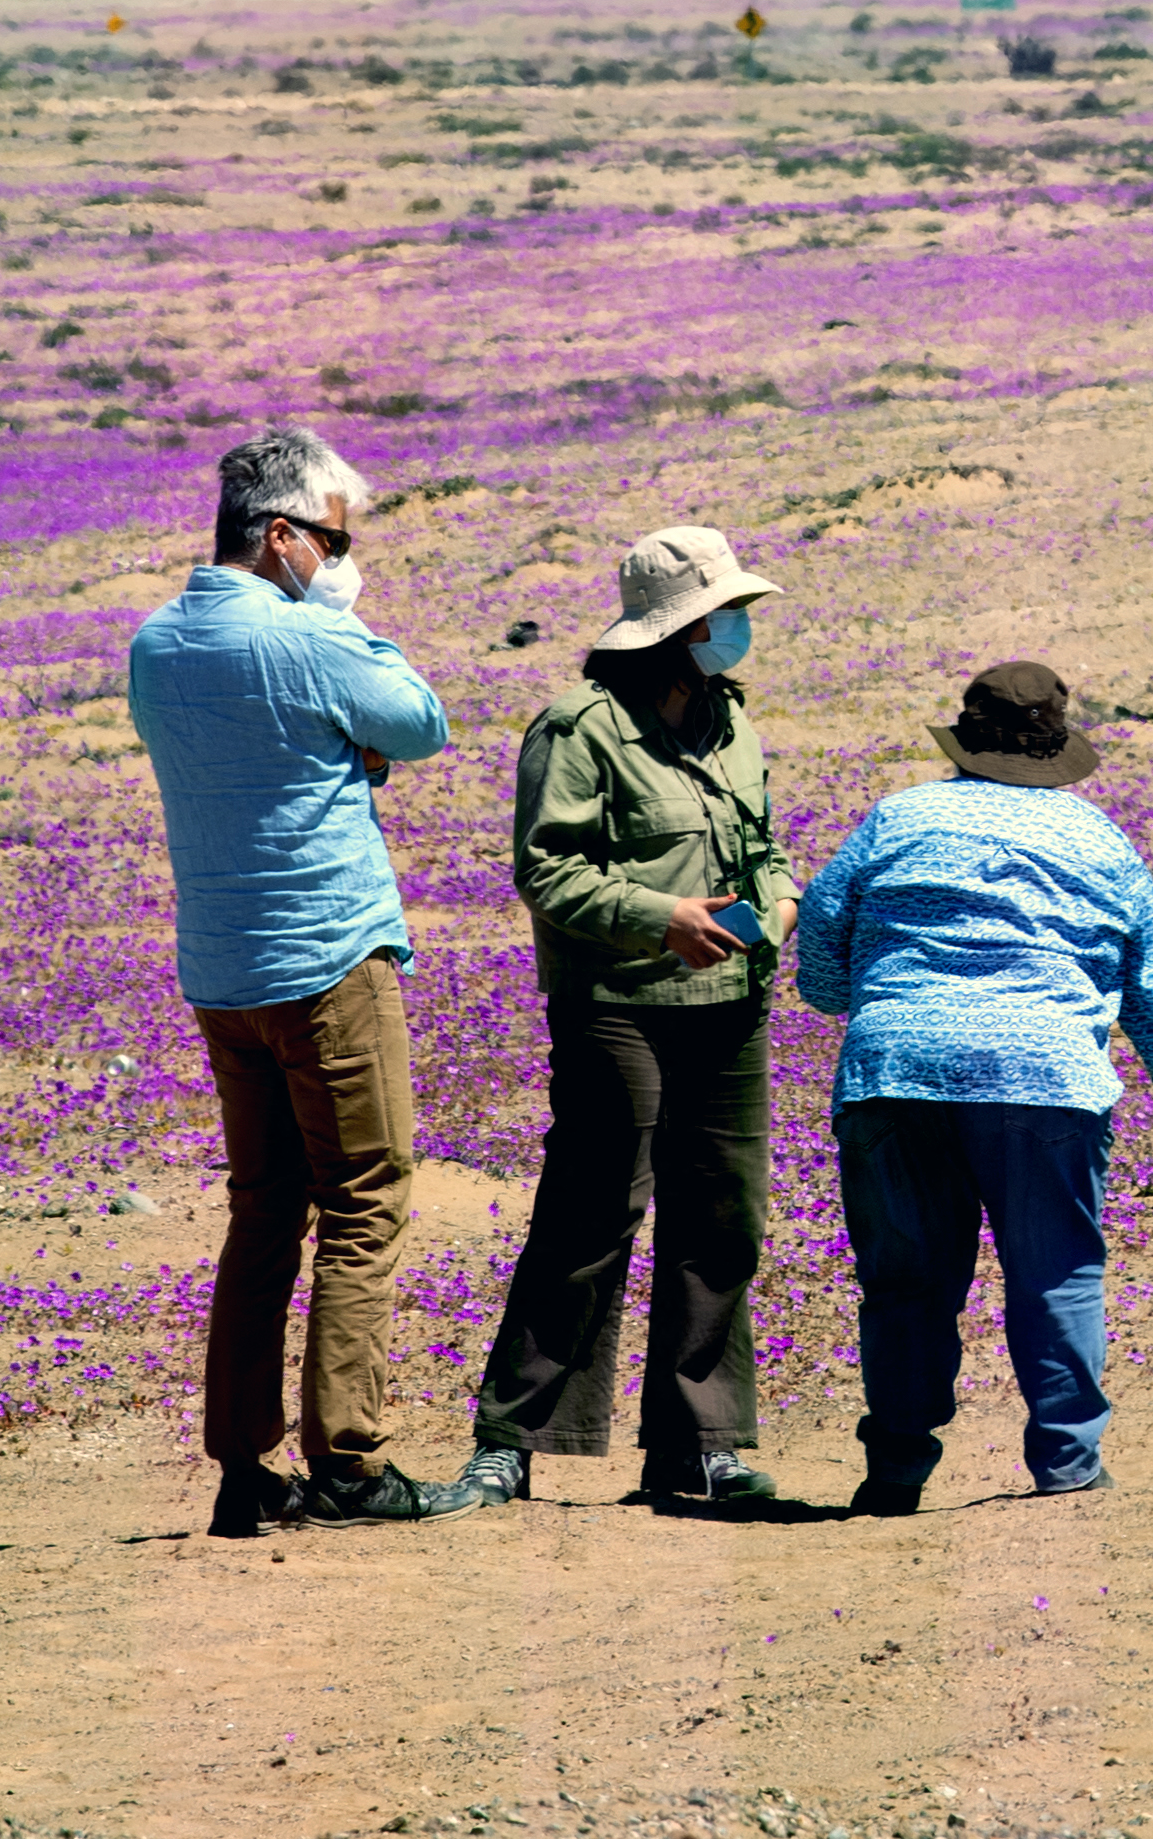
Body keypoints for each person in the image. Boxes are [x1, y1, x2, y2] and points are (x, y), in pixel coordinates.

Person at [122, 424, 467, 1539]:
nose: (341, 556)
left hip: (222, 970)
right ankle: (350, 1462)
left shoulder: (155, 643)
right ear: (279, 537)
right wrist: (338, 619)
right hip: (327, 960)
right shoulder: (305, 636)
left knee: (264, 1210)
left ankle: (240, 1465)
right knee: (364, 1201)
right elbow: (418, 723)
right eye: (332, 537)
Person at [790, 660, 1153, 1511]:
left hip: (895, 1072)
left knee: (906, 1283)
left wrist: (884, 1003)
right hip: (1044, 1078)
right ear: (1056, 742)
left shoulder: (897, 819)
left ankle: (894, 1473)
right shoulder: (1099, 840)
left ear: (965, 735)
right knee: (1055, 1273)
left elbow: (818, 955)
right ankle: (1067, 1468)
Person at [446, 527, 798, 1516]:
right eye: (720, 616)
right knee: (591, 1217)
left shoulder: (731, 723)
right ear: (673, 630)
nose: (735, 630)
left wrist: (777, 903)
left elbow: (764, 844)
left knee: (721, 1219)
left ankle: (699, 1446)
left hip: (729, 1003)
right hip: (617, 1008)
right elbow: (548, 871)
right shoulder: (579, 726)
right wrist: (664, 918)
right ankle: (510, 1441)